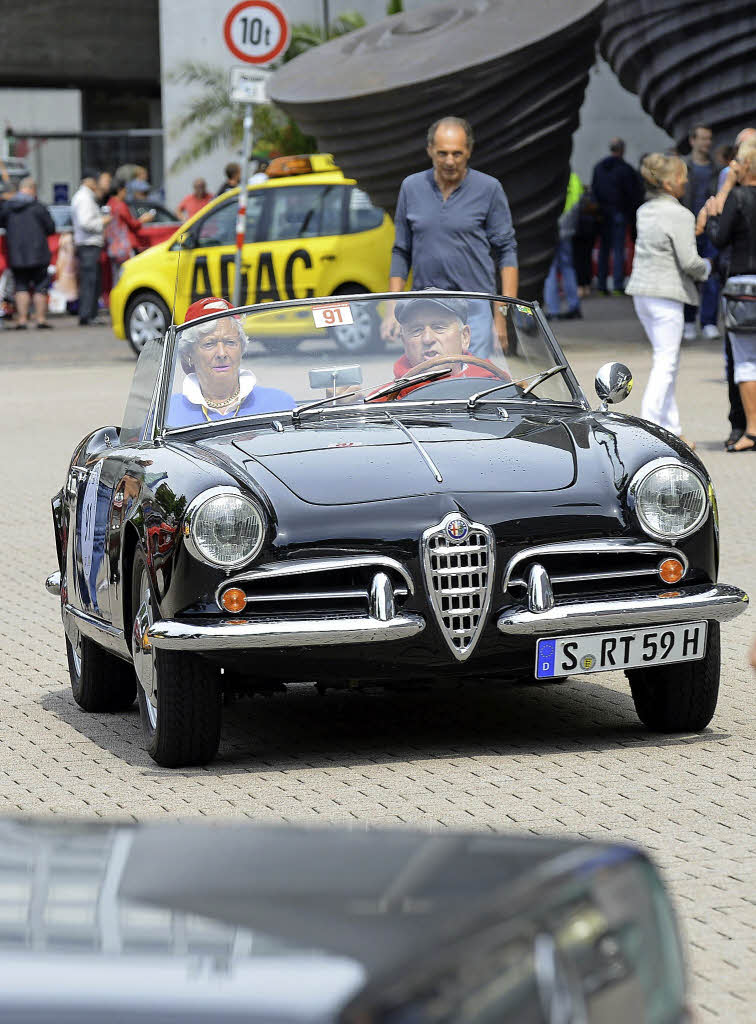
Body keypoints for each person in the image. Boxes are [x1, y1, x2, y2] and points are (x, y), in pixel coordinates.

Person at [381, 116, 518, 357]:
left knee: (474, 384)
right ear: (430, 150)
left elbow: (507, 252)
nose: (450, 161)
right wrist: (392, 306)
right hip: (424, 309)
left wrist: (502, 316)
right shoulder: (411, 188)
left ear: (469, 151)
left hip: (474, 310)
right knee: (429, 384)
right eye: (442, 153)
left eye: (457, 153)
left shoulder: (489, 189)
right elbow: (401, 251)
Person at [625, 153, 711, 446]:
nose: (687, 181)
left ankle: (672, 427)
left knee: (666, 359)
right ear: (672, 182)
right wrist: (708, 267)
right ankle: (648, 427)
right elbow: (689, 262)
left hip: (642, 292)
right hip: (666, 295)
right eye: (684, 176)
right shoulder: (680, 215)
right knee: (666, 361)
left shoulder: (644, 210)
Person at [698, 140, 756, 451]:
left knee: (743, 360)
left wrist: (711, 213)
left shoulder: (739, 196)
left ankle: (748, 429)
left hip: (743, 285)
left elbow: (719, 238)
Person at [168, 297, 296, 427]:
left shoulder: (279, 404)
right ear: (189, 353)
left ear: (241, 349)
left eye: (230, 342)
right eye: (209, 344)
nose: (222, 353)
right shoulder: (168, 414)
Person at [681, 124, 721, 341]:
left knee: (711, 275)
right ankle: (688, 321)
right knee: (689, 275)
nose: (707, 143)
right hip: (687, 228)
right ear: (692, 141)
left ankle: (708, 322)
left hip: (711, 229)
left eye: (709, 139)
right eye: (703, 139)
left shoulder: (716, 169)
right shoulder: (683, 166)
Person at [0, 176, 55, 329]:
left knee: (21, 286)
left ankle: (22, 320)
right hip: (39, 253)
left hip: (17, 254)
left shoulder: (8, 207)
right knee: (40, 287)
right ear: (32, 189)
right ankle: (41, 319)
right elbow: (51, 228)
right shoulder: (38, 207)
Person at [591, 138, 641, 295]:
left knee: (604, 250)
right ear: (622, 150)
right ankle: (618, 285)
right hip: (619, 213)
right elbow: (632, 193)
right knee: (619, 250)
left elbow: (594, 190)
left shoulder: (599, 167)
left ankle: (601, 286)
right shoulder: (625, 169)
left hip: (603, 214)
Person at [71, 169, 110, 325]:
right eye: (94, 180)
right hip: (88, 245)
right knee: (89, 281)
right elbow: (86, 222)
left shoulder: (85, 197)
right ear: (88, 181)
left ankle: (89, 314)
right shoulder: (84, 198)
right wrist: (103, 222)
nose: (96, 184)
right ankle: (87, 315)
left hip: (88, 244)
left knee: (92, 280)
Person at [543, 171, 583, 319]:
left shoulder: (547, 177)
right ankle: (574, 306)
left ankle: (554, 310)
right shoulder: (573, 178)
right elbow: (578, 201)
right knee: (568, 267)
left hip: (551, 229)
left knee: (551, 269)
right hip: (567, 228)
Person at [104, 177, 154, 284]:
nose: (126, 193)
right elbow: (133, 224)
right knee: (128, 277)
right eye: (125, 190)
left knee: (116, 277)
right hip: (124, 247)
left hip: (112, 247)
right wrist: (143, 219)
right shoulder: (120, 205)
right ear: (119, 190)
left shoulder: (109, 204)